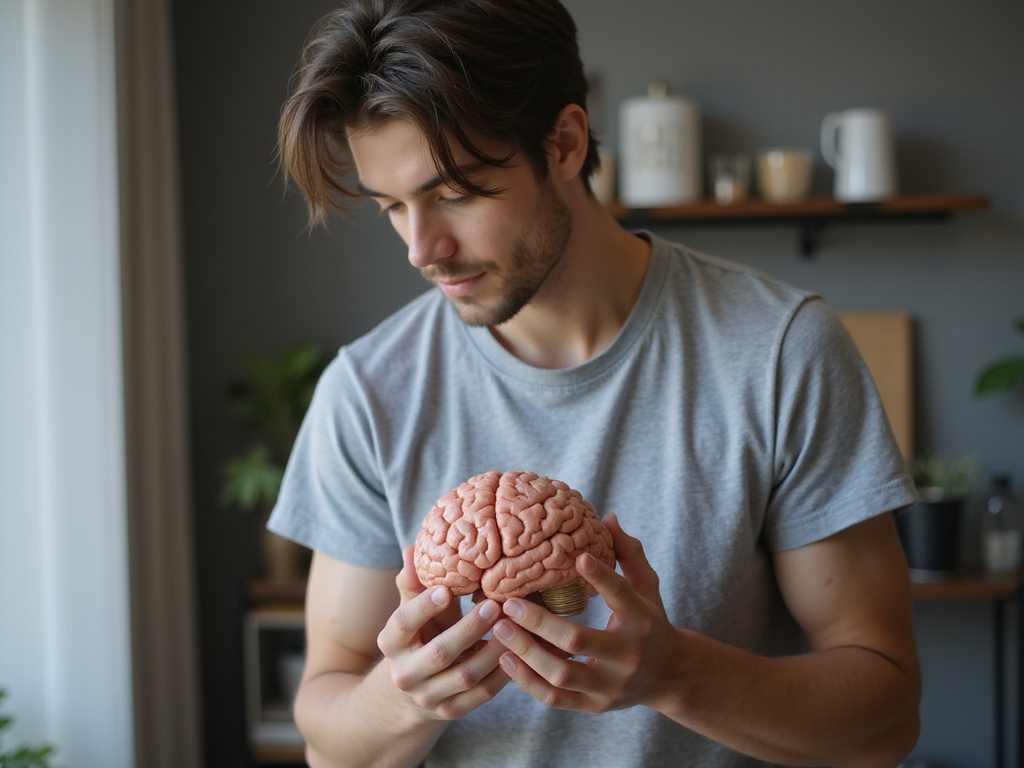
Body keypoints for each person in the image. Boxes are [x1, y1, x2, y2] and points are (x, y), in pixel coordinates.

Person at [268, 1, 922, 766]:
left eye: (456, 193)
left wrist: (676, 674)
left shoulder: (779, 352)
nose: (422, 249)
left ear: (566, 144)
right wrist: (404, 698)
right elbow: (325, 734)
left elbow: (885, 719)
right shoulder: (368, 392)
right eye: (392, 207)